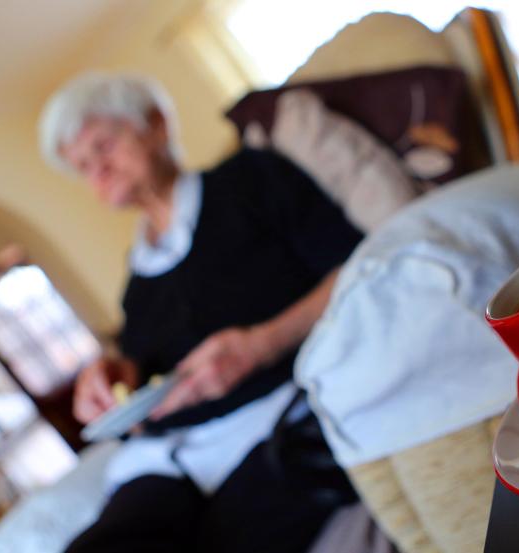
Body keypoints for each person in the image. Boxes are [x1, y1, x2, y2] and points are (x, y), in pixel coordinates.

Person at [38, 72, 361, 553]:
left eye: (103, 147)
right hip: (163, 456)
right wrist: (111, 377)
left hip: (270, 419)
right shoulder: (138, 278)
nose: (97, 173)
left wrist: (261, 343)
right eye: (83, 166)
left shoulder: (251, 180)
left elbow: (357, 268)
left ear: (156, 126)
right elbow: (143, 369)